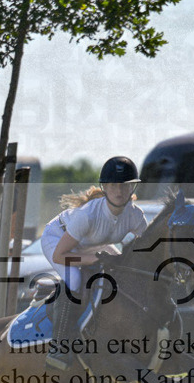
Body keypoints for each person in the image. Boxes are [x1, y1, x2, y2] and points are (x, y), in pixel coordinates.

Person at [40, 155, 148, 370]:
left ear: (133, 189)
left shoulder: (135, 216)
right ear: (105, 187)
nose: (119, 191)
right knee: (75, 279)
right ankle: (59, 345)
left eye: (125, 186)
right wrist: (96, 258)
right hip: (57, 241)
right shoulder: (87, 216)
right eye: (114, 185)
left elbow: (147, 248)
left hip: (91, 245)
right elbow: (60, 256)